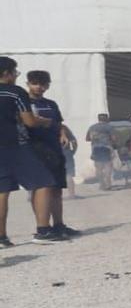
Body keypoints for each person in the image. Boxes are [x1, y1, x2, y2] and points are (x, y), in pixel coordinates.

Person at [0, 58, 59, 245]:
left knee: (2, 191)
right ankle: (43, 231)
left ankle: (1, 238)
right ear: (7, 73)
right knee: (44, 182)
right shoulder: (16, 93)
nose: (16, 76)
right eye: (15, 72)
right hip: (15, 145)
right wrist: (44, 121)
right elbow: (30, 122)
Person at [22, 73, 77, 237]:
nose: (39, 87)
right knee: (39, 189)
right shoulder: (23, 103)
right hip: (34, 149)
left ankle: (59, 225)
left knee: (56, 189)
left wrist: (63, 133)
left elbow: (58, 123)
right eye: (35, 83)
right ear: (28, 84)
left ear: (48, 85)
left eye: (43, 84)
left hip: (54, 149)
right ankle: (42, 226)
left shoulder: (51, 104)